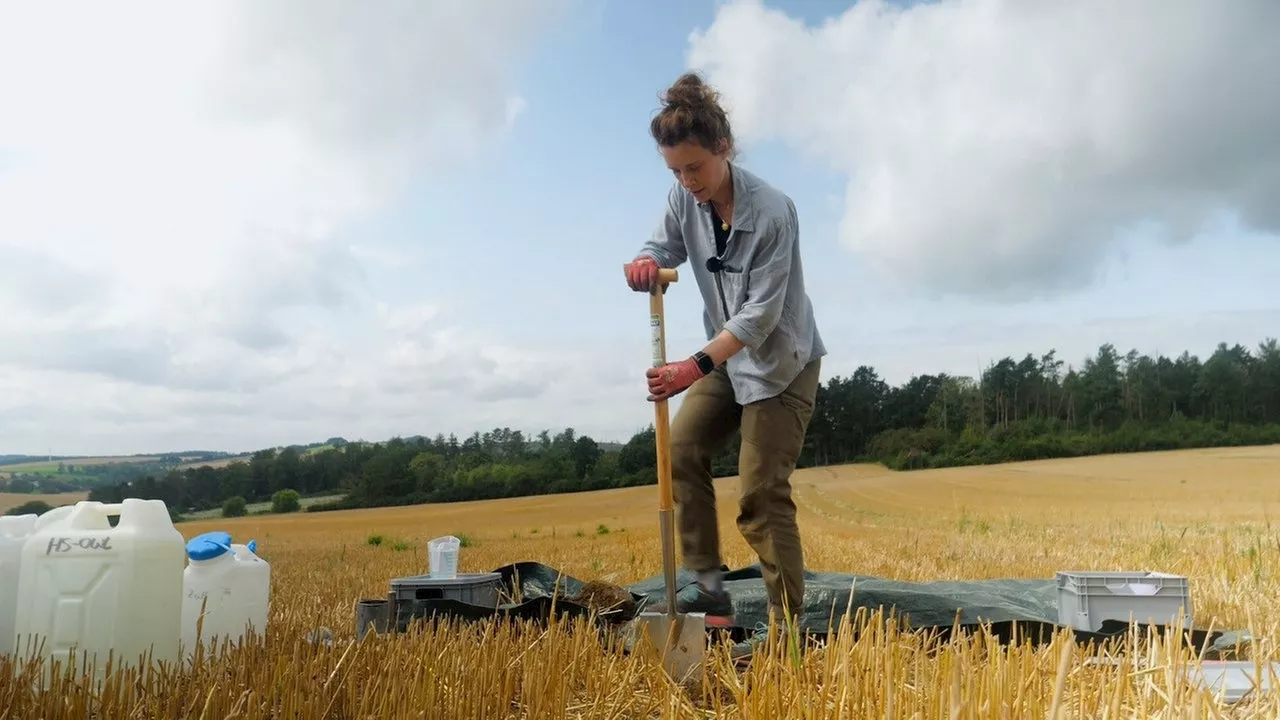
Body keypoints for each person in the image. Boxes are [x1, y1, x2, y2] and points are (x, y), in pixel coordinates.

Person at [623, 71, 826, 652]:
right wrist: (645, 259)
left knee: (761, 495)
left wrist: (691, 367)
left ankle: (787, 628)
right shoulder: (682, 197)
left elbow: (760, 317)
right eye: (675, 171)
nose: (687, 182)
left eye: (696, 168)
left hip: (781, 363)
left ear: (724, 149)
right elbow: (664, 247)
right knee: (683, 448)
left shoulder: (773, 211)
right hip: (727, 364)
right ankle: (708, 588)